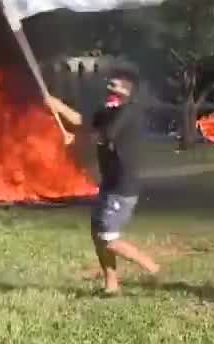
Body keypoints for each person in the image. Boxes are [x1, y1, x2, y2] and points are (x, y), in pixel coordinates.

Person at [46, 73, 160, 295]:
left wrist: (76, 140)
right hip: (109, 183)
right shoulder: (108, 111)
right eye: (109, 86)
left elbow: (106, 135)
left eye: (115, 87)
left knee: (107, 238)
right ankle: (111, 285)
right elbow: (83, 122)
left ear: (126, 93)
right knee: (97, 235)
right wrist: (58, 106)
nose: (109, 89)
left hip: (123, 187)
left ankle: (151, 266)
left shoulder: (128, 112)